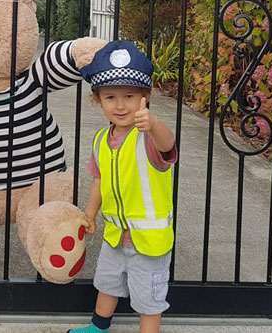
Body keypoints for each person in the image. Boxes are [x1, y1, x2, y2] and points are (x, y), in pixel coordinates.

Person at [69, 40, 178, 333]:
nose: (120, 105)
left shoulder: (149, 136)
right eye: (110, 97)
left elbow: (169, 146)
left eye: (129, 96)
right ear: (99, 100)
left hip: (149, 242)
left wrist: (153, 124)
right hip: (116, 236)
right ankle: (98, 327)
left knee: (148, 298)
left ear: (145, 96)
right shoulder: (101, 141)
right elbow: (99, 180)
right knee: (107, 284)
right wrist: (90, 214)